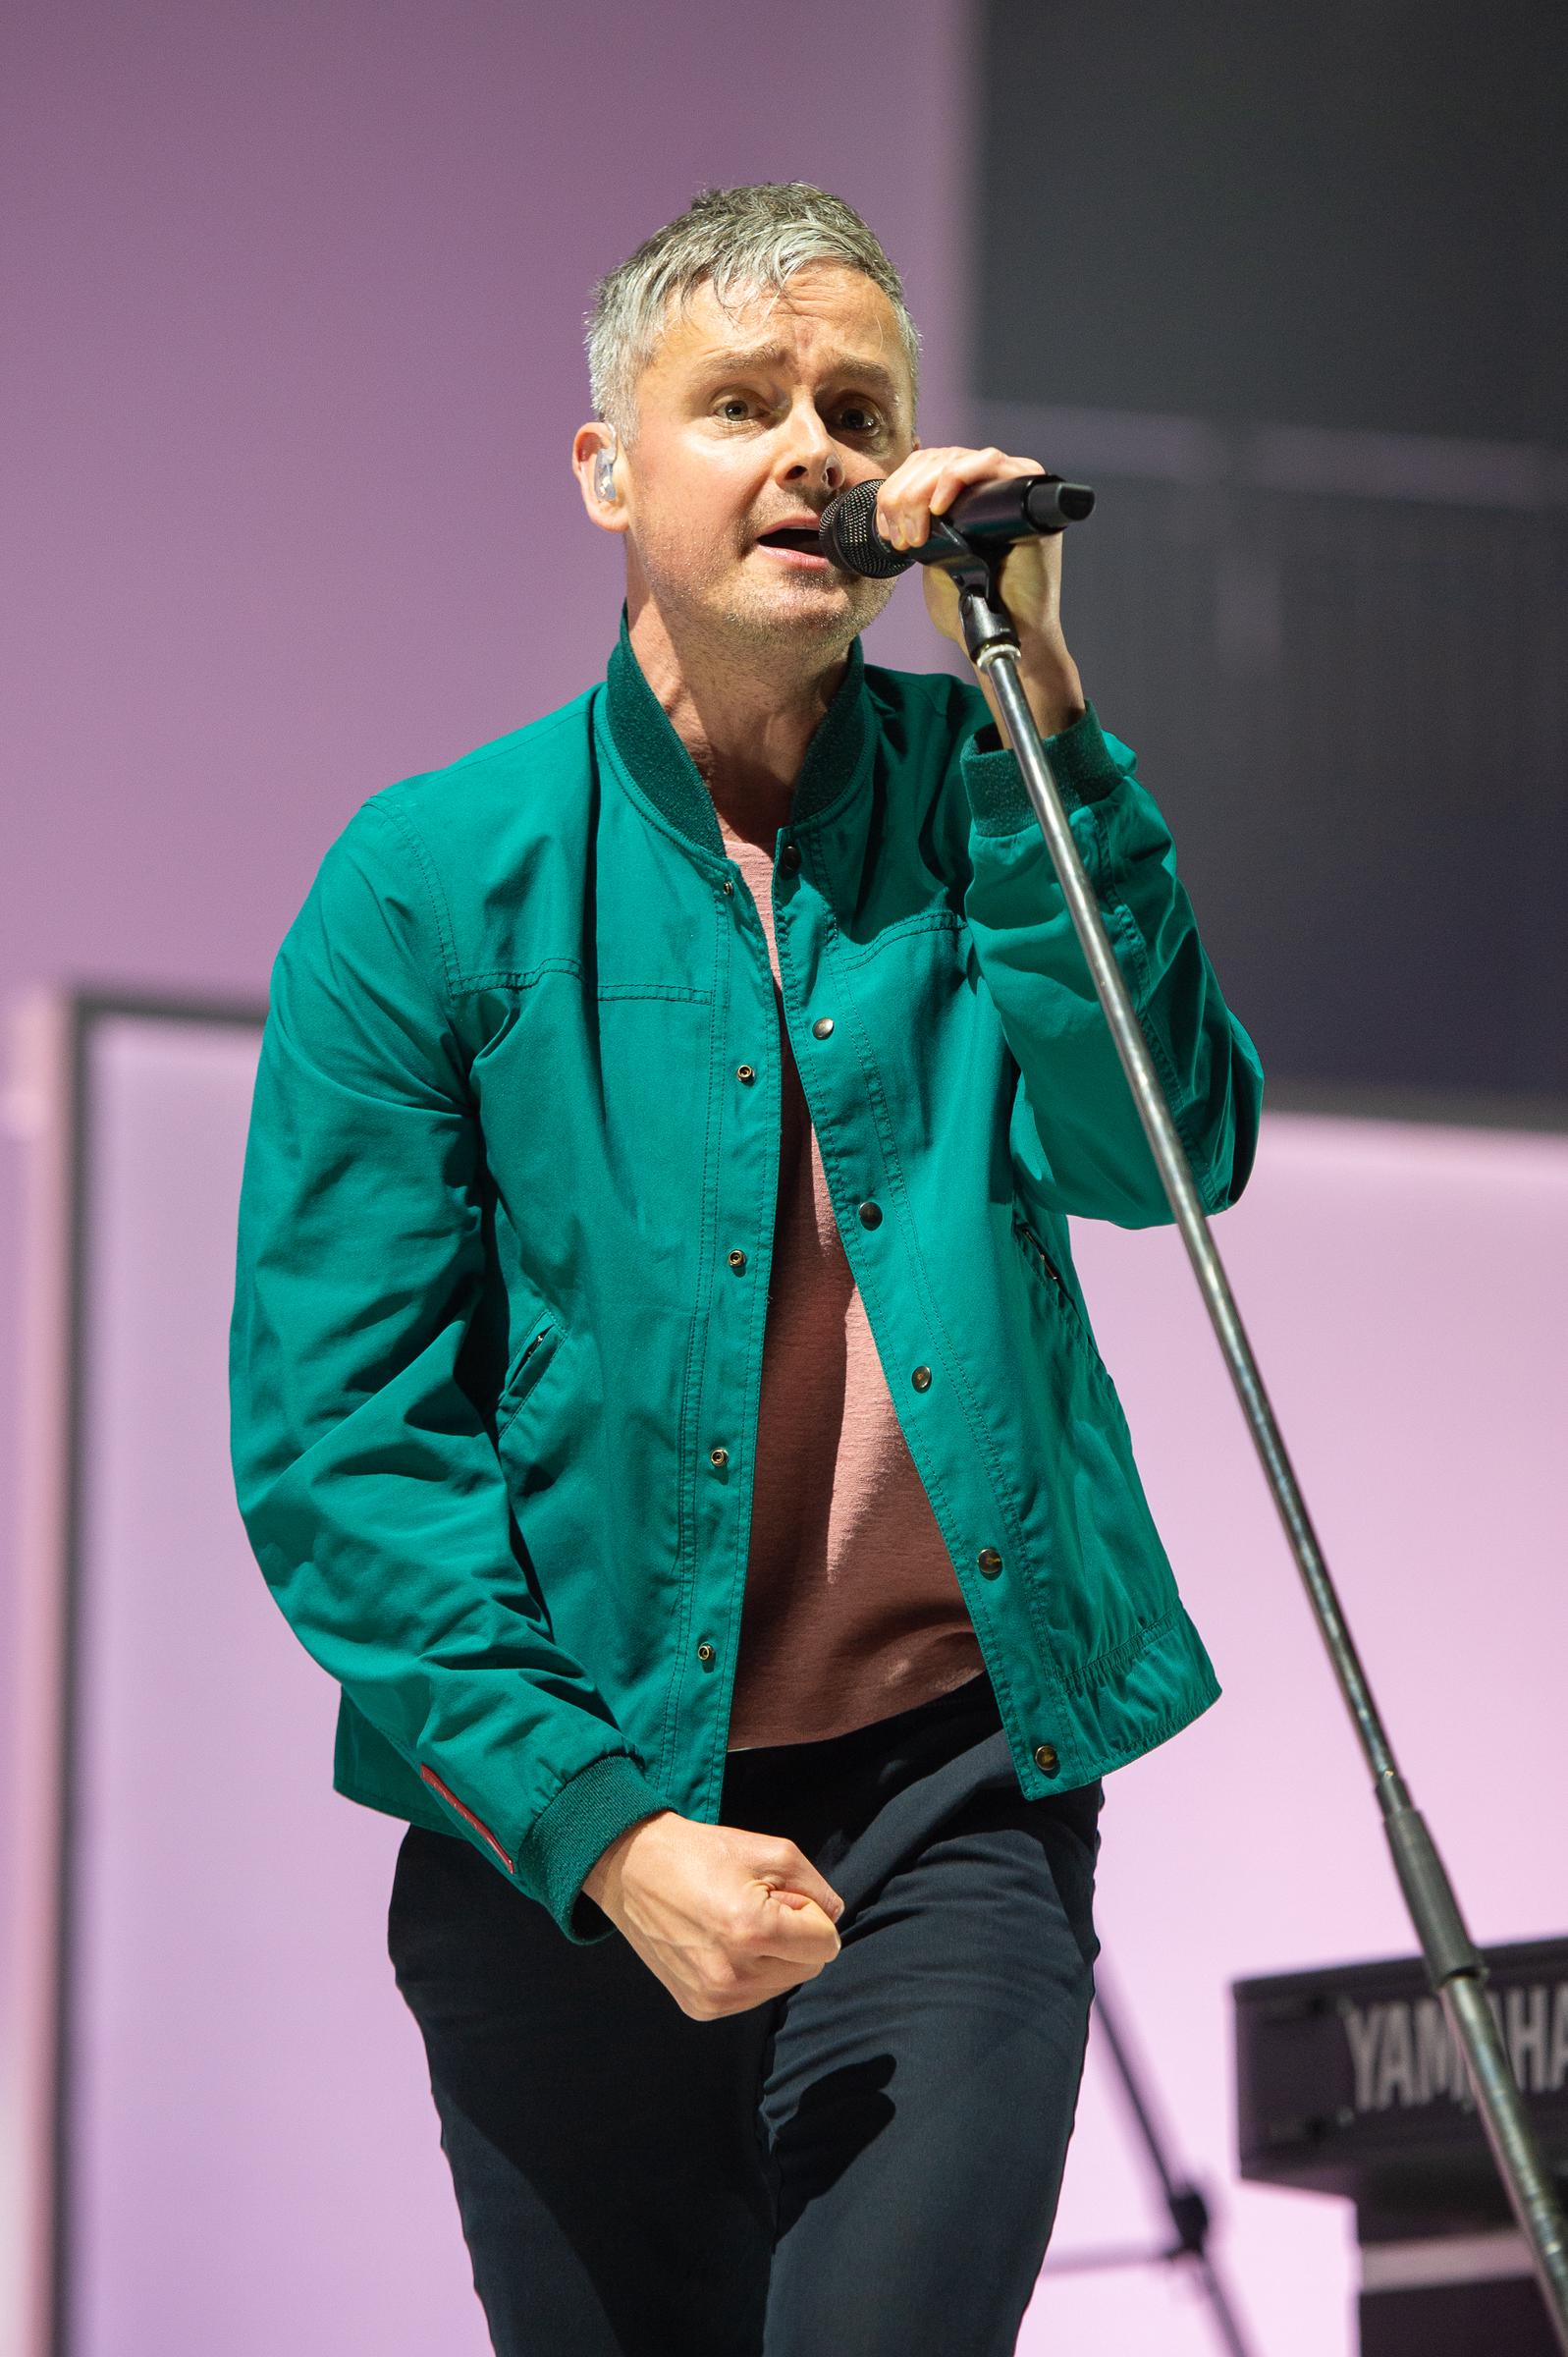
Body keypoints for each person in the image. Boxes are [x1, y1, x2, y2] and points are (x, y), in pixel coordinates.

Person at [228, 181, 1264, 2356]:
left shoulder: (991, 788)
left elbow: (1160, 1149)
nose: (811, 449)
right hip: (564, 1821)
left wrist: (1046, 712)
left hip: (947, 1795)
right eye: (739, 403)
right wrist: (608, 1835)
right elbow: (343, 1449)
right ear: (609, 469)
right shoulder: (430, 881)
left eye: (854, 409)